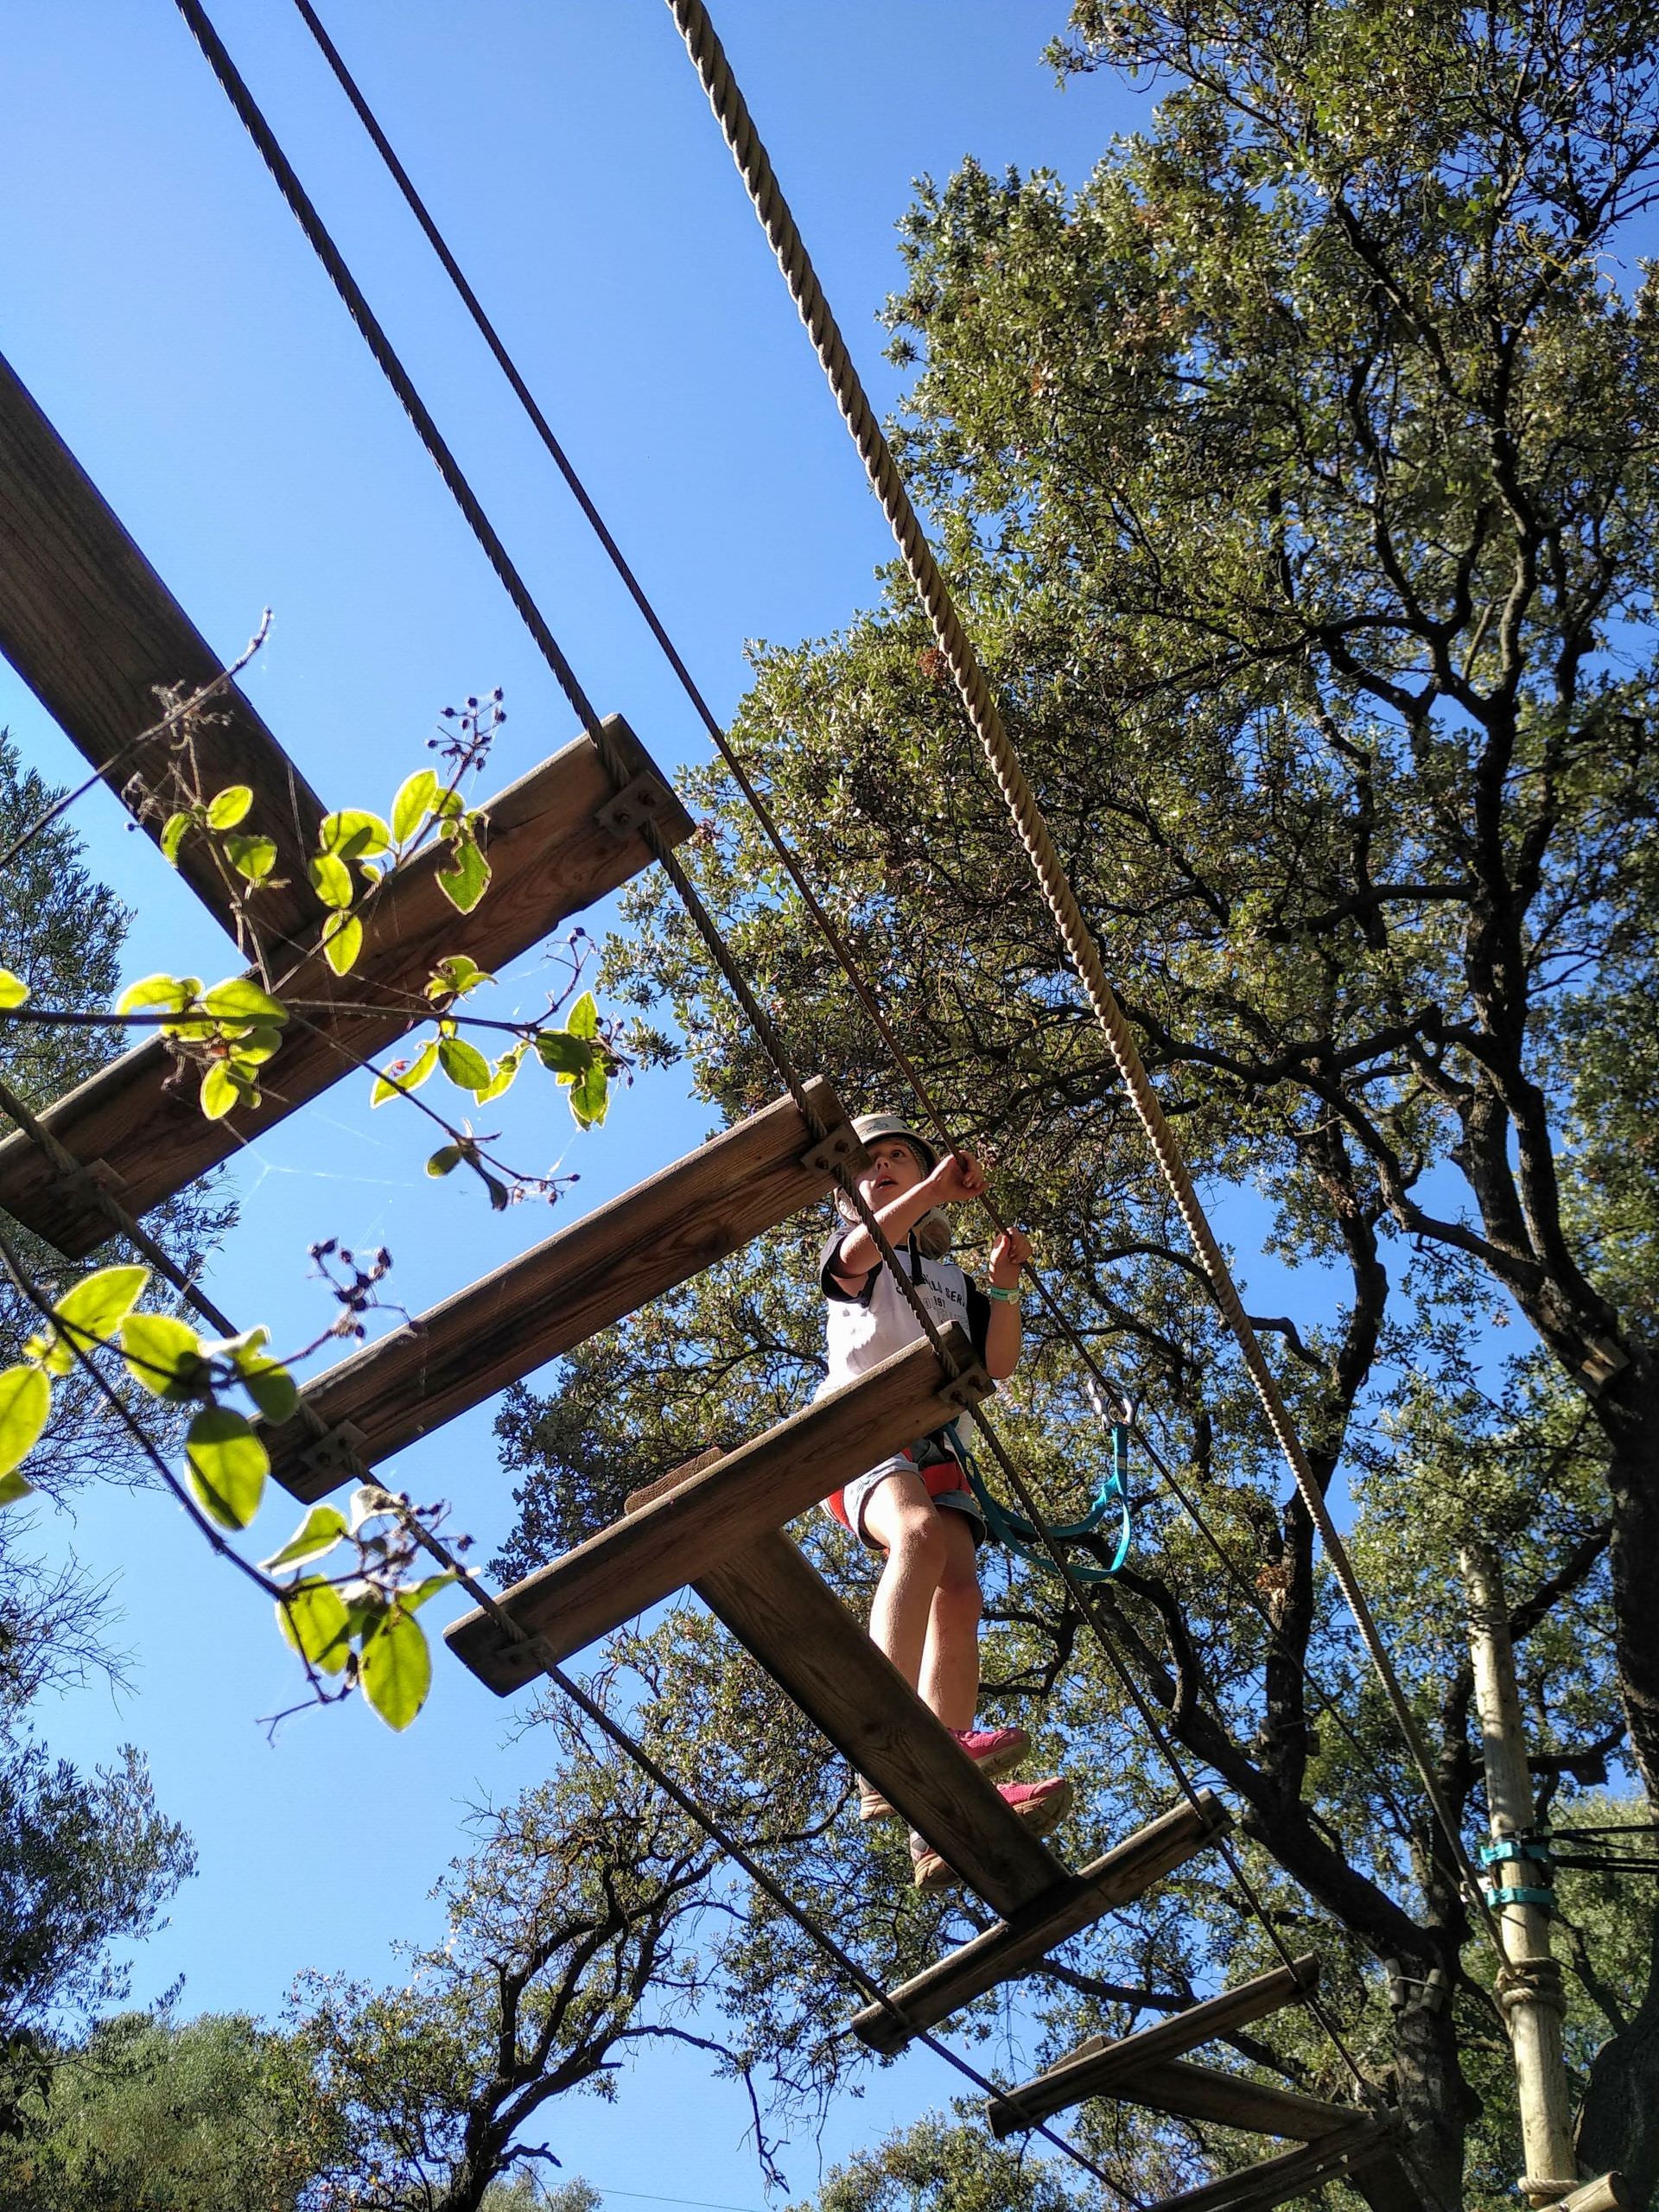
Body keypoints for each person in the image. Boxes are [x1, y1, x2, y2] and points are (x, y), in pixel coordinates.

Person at [819, 1111, 1071, 1888]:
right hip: (861, 1430)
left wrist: (1003, 1281)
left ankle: (940, 1801)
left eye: (899, 1158)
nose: (883, 1169)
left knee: (960, 1596)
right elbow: (864, 1247)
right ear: (846, 1192)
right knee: (919, 1537)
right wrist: (930, 1187)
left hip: (934, 1446)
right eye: (869, 1164)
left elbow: (996, 1365)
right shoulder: (854, 1252)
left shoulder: (951, 1281)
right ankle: (884, 1743)